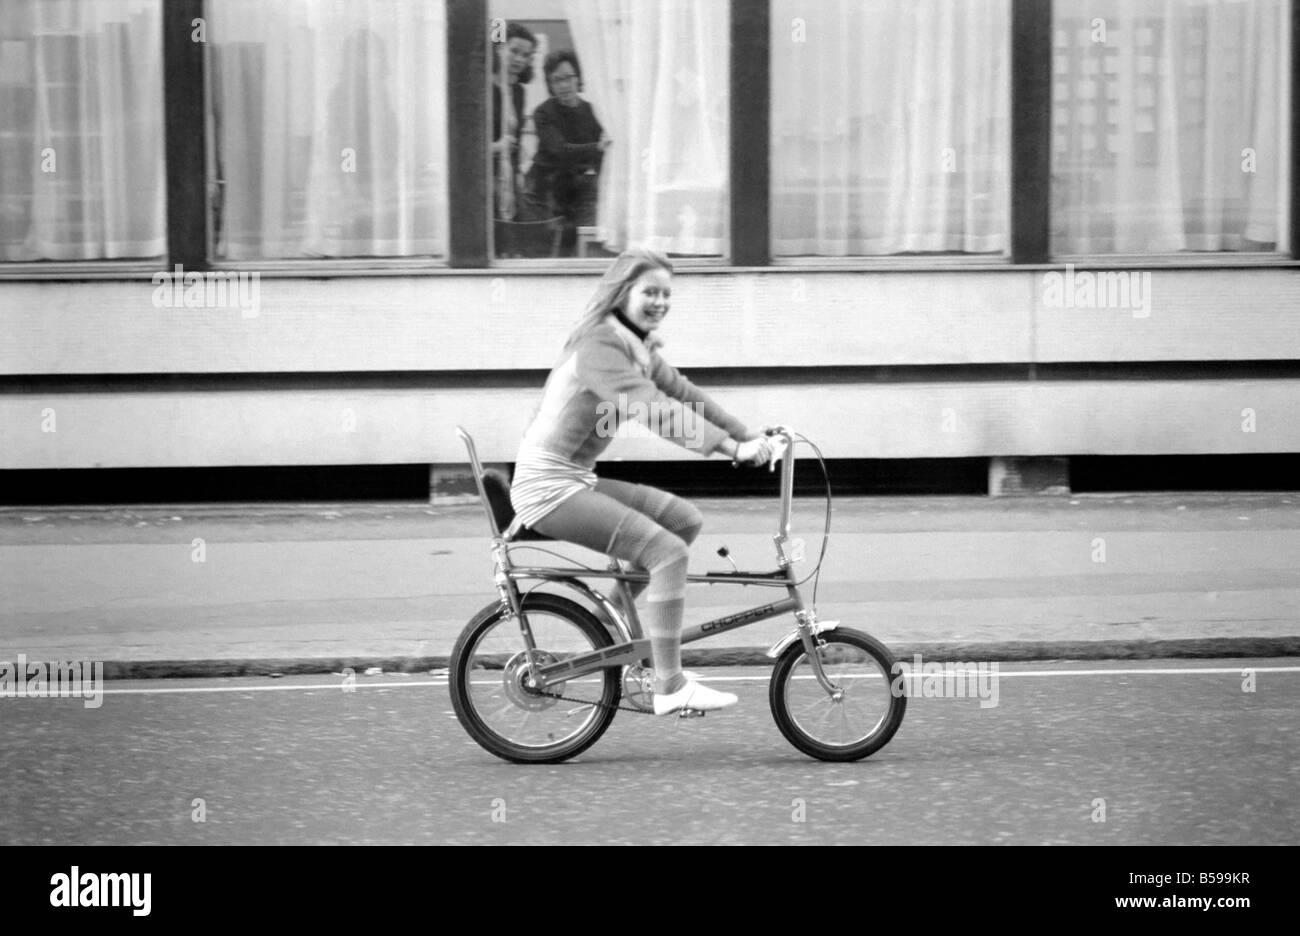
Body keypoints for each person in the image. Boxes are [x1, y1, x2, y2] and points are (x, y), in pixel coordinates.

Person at [510, 248, 775, 715]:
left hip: (574, 478)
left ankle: (606, 623)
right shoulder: (600, 345)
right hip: (549, 487)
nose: (660, 302)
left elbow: (684, 395)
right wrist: (731, 450)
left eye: (666, 294)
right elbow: (653, 408)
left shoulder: (635, 345)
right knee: (667, 552)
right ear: (622, 292)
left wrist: (748, 434)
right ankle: (669, 686)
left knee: (682, 520)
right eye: (649, 291)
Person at [525, 50, 612, 255]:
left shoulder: (593, 111)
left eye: (568, 78)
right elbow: (559, 150)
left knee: (585, 243)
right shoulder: (543, 113)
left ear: (578, 78)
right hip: (547, 190)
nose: (563, 85)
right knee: (550, 250)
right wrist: (596, 147)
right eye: (556, 80)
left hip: (581, 189)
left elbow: (603, 155)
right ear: (550, 84)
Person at [491, 22, 536, 221]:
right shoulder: (483, 87)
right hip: (484, 175)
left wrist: (518, 173)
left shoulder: (518, 92)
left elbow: (515, 141)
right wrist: (498, 147)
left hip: (508, 174)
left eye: (526, 55)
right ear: (500, 49)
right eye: (514, 51)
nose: (519, 59)